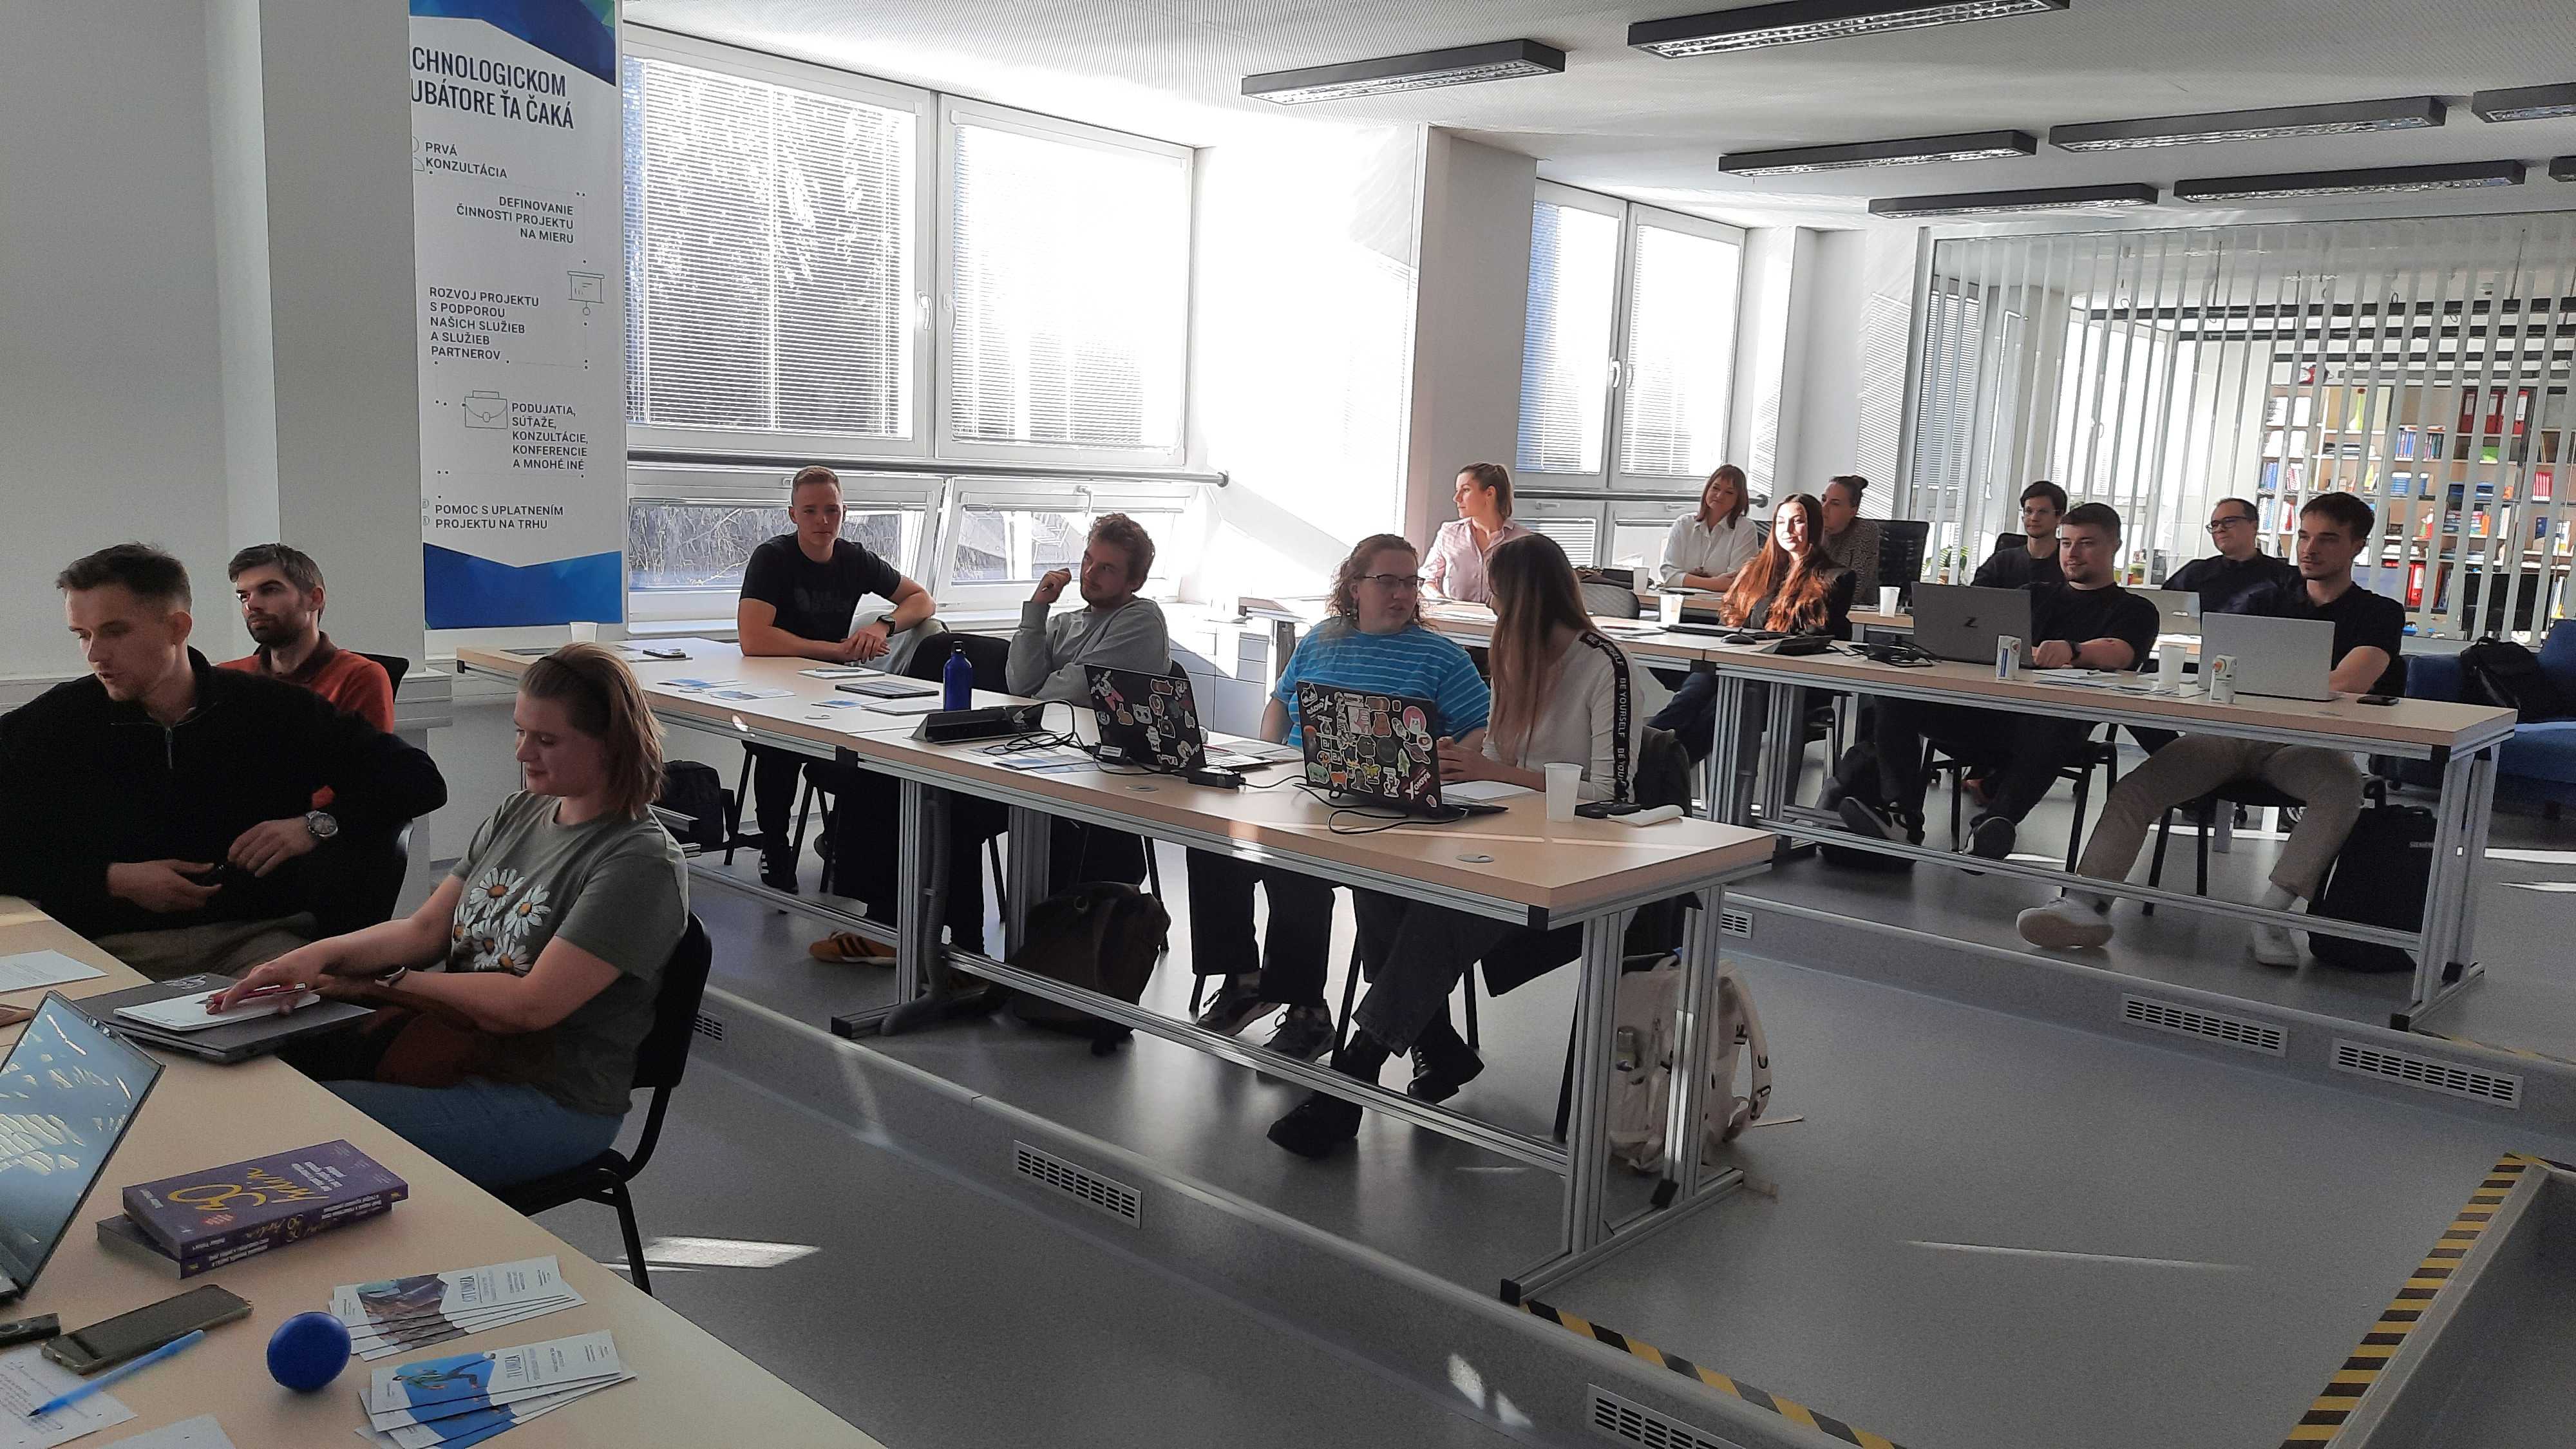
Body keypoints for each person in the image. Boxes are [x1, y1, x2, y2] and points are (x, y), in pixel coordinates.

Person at [213, 645, 687, 1190]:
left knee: (300, 1124)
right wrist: (310, 957)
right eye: (520, 731)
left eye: (546, 740)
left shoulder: (640, 863)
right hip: (462, 1054)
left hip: (550, 1099)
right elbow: (424, 931)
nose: (522, 752)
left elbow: (530, 1005)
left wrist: (383, 984)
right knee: (261, 1083)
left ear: (611, 743)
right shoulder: (522, 811)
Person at [1269, 534, 1644, 1159]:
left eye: (1496, 595)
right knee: (1384, 883)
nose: (1489, 606)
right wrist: (1455, 765)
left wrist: (1492, 771)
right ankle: (1436, 1048)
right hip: (1511, 834)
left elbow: (1612, 793)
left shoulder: (1604, 663)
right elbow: (1497, 758)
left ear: (1523, 597)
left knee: (1442, 911)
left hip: (1580, 859)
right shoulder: (1515, 656)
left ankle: (1354, 1074)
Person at [0, 544, 447, 978]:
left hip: (254, 942)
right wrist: (110, 880)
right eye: (82, 635)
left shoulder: (271, 709)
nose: (94, 654)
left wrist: (316, 825)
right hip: (105, 947)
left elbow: (418, 778)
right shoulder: (60, 720)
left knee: (288, 1014)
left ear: (176, 628)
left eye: (115, 632)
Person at [2018, 493, 2402, 965]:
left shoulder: (2379, 613)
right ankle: (2084, 904)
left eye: (2328, 539)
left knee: (2342, 789)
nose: (2310, 549)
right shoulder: (2266, 601)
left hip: (2305, 746)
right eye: (2304, 536)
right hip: (2231, 736)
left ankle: (2272, 917)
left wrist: (2263, 681)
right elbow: (2222, 669)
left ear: (2358, 546)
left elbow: (2348, 683)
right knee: (2137, 788)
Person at [1188, 536, 1490, 1061]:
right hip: (1301, 790)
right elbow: (1280, 703)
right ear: (1355, 588)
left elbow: (1482, 727)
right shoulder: (1322, 639)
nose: (1402, 594)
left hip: (1386, 811)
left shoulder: (1441, 656)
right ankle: (1244, 979)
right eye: (1387, 582)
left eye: (1410, 582)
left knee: (1296, 865)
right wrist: (1269, 753)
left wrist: (1452, 762)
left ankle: (1307, 1012)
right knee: (1209, 841)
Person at [1841, 502, 2158, 862]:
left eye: (2086, 543)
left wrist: (2073, 650)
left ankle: (1994, 827)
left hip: (2051, 730)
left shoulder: (2134, 609)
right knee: (1896, 697)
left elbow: (2121, 652)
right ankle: (1902, 817)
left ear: (2115, 546)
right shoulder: (2031, 595)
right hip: (1990, 714)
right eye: (2067, 543)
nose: (2073, 553)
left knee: (2055, 719)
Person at [737, 466, 934, 892]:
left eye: (832, 510)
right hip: (774, 686)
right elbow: (753, 639)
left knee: (871, 757)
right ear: (793, 515)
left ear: (844, 512)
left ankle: (846, 843)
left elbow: (921, 600)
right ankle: (776, 846)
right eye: (810, 511)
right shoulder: (773, 558)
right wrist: (836, 651)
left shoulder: (854, 559)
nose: (822, 520)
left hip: (830, 687)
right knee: (778, 751)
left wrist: (883, 625)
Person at [1009, 513, 1172, 891]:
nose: (1089, 574)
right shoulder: (1065, 622)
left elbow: (1076, 691)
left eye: (1107, 568)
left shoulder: (1142, 620)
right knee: (950, 807)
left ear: (1134, 581)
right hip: (1053, 758)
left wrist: (1039, 689)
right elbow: (1020, 686)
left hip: (1107, 777)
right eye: (1088, 560)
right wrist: (1038, 608)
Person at [1649, 493, 1854, 764]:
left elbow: (1815, 637)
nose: (1788, 530)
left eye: (1798, 521)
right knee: (1691, 695)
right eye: (1781, 522)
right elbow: (1729, 621)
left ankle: (1659, 767)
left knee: (1723, 707)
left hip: (1784, 680)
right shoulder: (1754, 571)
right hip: (1732, 667)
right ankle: (1643, 756)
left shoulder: (1835, 578)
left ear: (1814, 526)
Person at [223, 544, 395, 731]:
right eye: (244, 596)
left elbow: (366, 751)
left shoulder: (358, 677)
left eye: (270, 590)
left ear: (315, 599)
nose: (252, 605)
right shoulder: (229, 677)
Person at [1422, 462, 1535, 605]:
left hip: (1501, 620)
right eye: (1457, 491)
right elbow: (1427, 580)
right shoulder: (1449, 533)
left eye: (1465, 490)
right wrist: (1441, 602)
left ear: (1489, 493)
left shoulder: (1523, 540)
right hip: (1453, 618)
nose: (1456, 498)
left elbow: (1532, 592)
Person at [2164, 497, 2299, 614]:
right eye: (2215, 525)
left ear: (2254, 526)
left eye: (2229, 522)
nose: (2220, 529)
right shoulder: (2195, 573)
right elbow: (2164, 610)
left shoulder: (2285, 577)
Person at [1657, 464, 1764, 592]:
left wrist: (1686, 580)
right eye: (1715, 488)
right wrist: (1714, 583)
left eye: (1729, 492)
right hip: (1679, 599)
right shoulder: (1684, 524)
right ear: (1707, 489)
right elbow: (1669, 575)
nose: (1719, 496)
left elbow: (1736, 582)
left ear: (1739, 499)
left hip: (1723, 603)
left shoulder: (1745, 528)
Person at [1971, 480, 2069, 591]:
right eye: (2029, 511)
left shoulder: (2070, 563)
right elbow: (1973, 597)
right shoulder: (2001, 562)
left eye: (2042, 512)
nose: (2034, 518)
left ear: (2059, 517)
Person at [1815, 474, 1882, 600]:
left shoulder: (1864, 531)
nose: (1824, 508)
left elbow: (1855, 589)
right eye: (1823, 500)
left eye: (1835, 504)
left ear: (1852, 512)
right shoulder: (1811, 530)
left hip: (1855, 610)